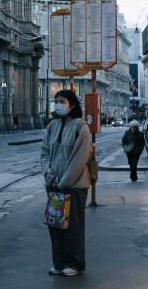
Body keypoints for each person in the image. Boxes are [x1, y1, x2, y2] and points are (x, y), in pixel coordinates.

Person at [40, 89, 92, 277]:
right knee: (55, 225)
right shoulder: (52, 126)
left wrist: (64, 182)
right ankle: (59, 263)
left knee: (73, 227)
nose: (59, 104)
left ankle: (74, 263)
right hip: (54, 185)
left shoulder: (81, 127)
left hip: (74, 187)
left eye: (62, 101)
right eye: (56, 101)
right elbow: (45, 153)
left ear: (72, 104)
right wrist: (48, 174)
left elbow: (80, 159)